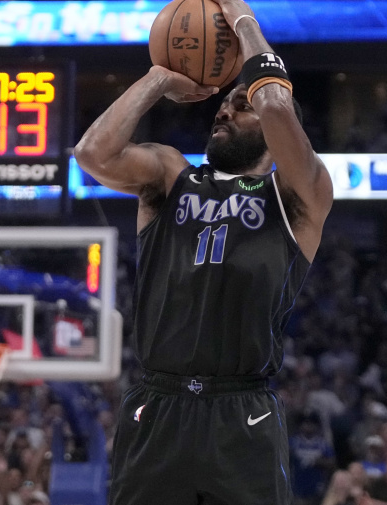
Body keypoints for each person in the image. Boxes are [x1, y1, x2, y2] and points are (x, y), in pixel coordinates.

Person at [73, 0, 334, 502]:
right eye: (226, 101)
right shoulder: (171, 174)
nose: (225, 108)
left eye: (242, 104)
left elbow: (277, 106)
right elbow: (92, 154)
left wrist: (243, 22)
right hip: (157, 403)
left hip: (242, 414)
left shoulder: (299, 196)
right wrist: (157, 79)